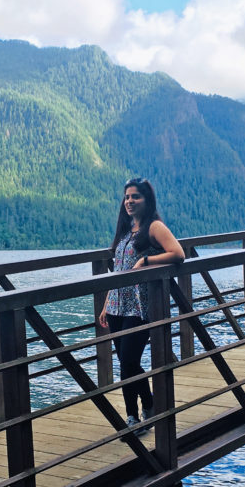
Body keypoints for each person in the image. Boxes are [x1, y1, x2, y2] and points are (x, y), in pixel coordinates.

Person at [97, 177, 184, 433]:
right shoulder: (125, 230)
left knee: (127, 362)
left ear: (147, 200)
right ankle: (142, 410)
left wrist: (146, 261)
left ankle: (136, 416)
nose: (130, 201)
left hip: (138, 306)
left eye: (135, 197)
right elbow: (118, 270)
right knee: (127, 363)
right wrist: (105, 305)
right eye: (127, 197)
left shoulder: (154, 227)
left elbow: (178, 253)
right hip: (116, 305)